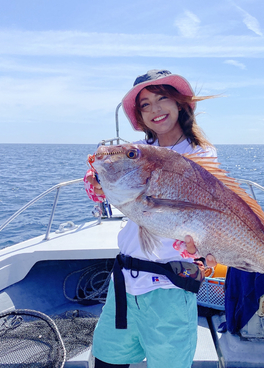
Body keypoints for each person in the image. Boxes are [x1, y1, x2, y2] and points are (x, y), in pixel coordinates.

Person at [84, 69, 217, 368]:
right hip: (124, 283)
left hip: (168, 289)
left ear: (180, 103)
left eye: (163, 99)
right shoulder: (140, 154)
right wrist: (98, 181)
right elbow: (114, 195)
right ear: (139, 115)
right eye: (145, 105)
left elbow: (203, 215)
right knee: (106, 362)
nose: (155, 109)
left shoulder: (199, 154)